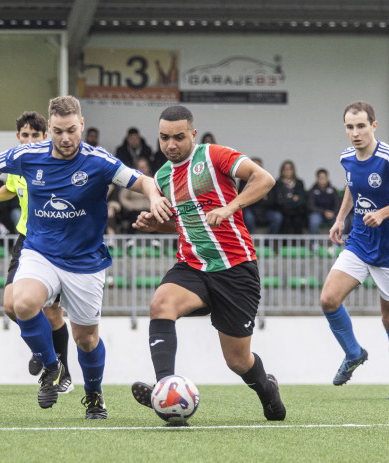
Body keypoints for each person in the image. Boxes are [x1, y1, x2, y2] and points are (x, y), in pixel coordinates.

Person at [0, 96, 169, 417]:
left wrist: (152, 196)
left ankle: (94, 394)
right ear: (48, 128)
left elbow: (142, 180)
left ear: (81, 125)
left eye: (71, 130)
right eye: (57, 131)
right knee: (22, 303)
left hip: (85, 261)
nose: (65, 138)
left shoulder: (99, 161)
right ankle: (53, 367)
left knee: (87, 339)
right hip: (41, 252)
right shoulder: (29, 155)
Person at [130, 105, 286, 422]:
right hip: (193, 265)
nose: (170, 144)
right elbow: (184, 223)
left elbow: (264, 179)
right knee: (161, 303)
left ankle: (268, 390)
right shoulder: (162, 177)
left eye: (178, 137)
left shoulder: (214, 156)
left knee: (237, 360)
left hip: (235, 269)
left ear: (193, 135)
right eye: (163, 138)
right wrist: (155, 225)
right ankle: (165, 391)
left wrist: (231, 207)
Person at [320, 101, 389, 399]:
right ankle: (353, 353)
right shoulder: (346, 157)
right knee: (328, 299)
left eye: (361, 126)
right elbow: (352, 185)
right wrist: (341, 218)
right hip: (360, 240)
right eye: (350, 127)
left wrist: (384, 213)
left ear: (373, 126)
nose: (355, 133)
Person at [0, 111, 74, 392]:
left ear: (45, 137)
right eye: (25, 135)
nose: (29, 140)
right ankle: (42, 348)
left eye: (35, 135)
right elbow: (10, 188)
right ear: (18, 137)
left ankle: (62, 372)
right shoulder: (19, 164)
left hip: (53, 243)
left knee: (53, 314)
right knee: (10, 306)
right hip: (25, 240)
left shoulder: (51, 163)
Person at [240, 157, 282, 234]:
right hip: (250, 209)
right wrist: (261, 197)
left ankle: (268, 243)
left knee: (277, 217)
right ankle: (249, 242)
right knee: (248, 218)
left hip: (265, 210)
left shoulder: (267, 179)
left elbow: (271, 199)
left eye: (258, 166)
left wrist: (254, 196)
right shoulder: (243, 180)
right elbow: (243, 198)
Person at [110, 157, 153, 233]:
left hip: (149, 209)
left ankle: (155, 240)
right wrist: (131, 206)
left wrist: (153, 206)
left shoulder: (153, 181)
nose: (143, 169)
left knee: (153, 217)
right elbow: (122, 197)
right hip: (134, 210)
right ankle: (130, 240)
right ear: (136, 168)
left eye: (144, 167)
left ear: (148, 168)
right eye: (140, 167)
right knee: (135, 218)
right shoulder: (131, 180)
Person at [274, 160, 307, 234]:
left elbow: (301, 200)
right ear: (282, 170)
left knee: (298, 220)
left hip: (297, 211)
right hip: (283, 211)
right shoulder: (277, 183)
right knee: (284, 220)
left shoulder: (299, 183)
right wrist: (292, 199)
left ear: (293, 170)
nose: (287, 171)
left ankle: (299, 245)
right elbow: (278, 201)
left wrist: (286, 199)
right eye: (285, 169)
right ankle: (284, 245)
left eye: (289, 169)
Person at [307, 168, 339, 234]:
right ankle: (315, 242)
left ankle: (336, 243)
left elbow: (338, 204)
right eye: (320, 178)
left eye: (324, 177)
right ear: (317, 179)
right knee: (314, 220)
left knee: (343, 221)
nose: (322, 180)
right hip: (318, 214)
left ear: (327, 178)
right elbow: (311, 206)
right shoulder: (312, 191)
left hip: (332, 214)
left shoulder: (333, 190)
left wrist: (334, 213)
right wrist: (324, 212)